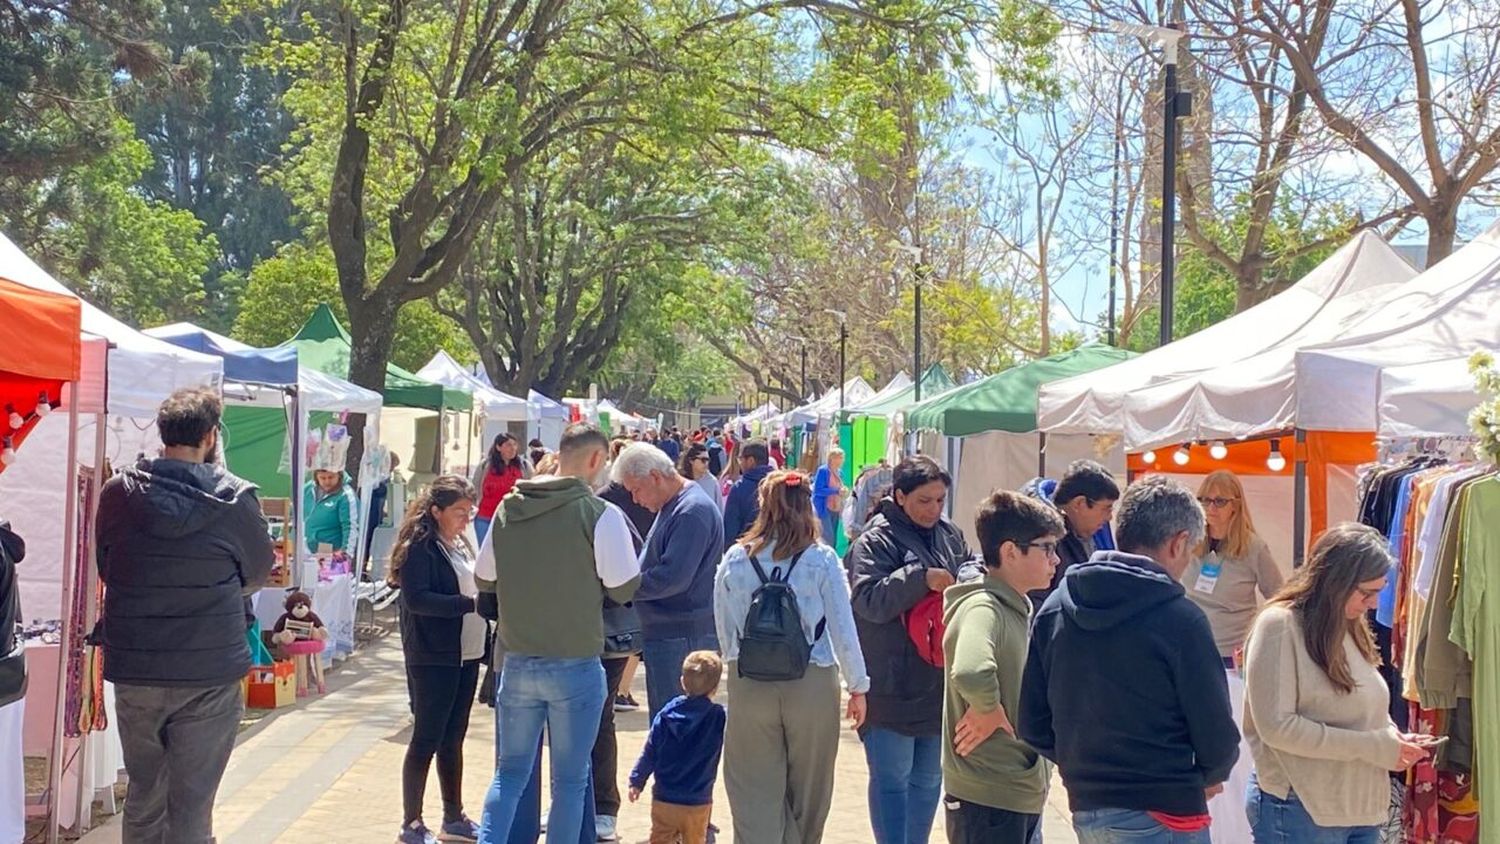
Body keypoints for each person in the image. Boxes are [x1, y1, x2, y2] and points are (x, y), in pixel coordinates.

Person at [94, 387, 275, 843]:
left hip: (138, 666)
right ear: (212, 436)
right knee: (193, 802)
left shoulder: (119, 493)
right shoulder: (235, 501)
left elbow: (107, 565)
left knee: (144, 792)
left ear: (162, 434)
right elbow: (256, 574)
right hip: (208, 667)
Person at [1019, 475, 1239, 844]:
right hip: (1166, 810)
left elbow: (1032, 722)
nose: (1186, 563)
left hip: (1089, 807)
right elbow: (1216, 733)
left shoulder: (1057, 608)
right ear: (1178, 543)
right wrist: (1204, 775)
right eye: (1189, 552)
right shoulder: (1181, 620)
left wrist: (1086, 769)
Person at [475, 424, 641, 844]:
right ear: (596, 460)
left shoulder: (509, 508)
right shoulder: (600, 515)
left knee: (509, 774)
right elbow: (623, 586)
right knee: (570, 781)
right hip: (575, 663)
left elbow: (483, 576)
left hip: (518, 660)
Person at [1242, 523, 1432, 842]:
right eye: (1367, 592)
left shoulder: (1349, 625)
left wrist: (1393, 737)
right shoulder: (1280, 625)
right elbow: (1276, 727)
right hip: (1300, 809)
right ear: (1336, 581)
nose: (1374, 604)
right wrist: (1376, 746)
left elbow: (1363, 706)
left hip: (1361, 808)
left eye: (1379, 591)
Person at [714, 470, 869, 843]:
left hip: (750, 680)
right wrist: (858, 685)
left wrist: (738, 665)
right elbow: (843, 629)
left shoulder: (735, 558)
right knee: (810, 788)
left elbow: (725, 630)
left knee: (753, 786)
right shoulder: (822, 559)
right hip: (811, 681)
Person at [847, 456, 975, 844]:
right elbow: (867, 599)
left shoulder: (948, 533)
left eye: (939, 500)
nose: (933, 509)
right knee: (892, 779)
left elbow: (969, 562)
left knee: (928, 779)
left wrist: (970, 574)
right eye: (924, 500)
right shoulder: (873, 541)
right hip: (890, 684)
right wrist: (920, 578)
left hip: (938, 684)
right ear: (899, 496)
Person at [942, 490, 1065, 844]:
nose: (1055, 560)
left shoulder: (1012, 605)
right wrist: (989, 709)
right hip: (989, 795)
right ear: (1011, 551)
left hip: (1012, 788)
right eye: (1047, 548)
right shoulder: (984, 607)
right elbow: (971, 670)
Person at [1179, 470, 1284, 842]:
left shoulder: (1253, 549)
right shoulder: (1189, 544)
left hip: (1233, 667)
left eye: (1219, 501)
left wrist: (1260, 639)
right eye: (1204, 499)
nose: (1210, 508)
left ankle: (1238, 834)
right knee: (1197, 753)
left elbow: (1280, 598)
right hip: (1192, 662)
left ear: (1237, 506)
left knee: (1235, 758)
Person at [391, 475, 486, 844]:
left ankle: (454, 815)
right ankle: (411, 822)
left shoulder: (459, 542)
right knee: (426, 737)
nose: (466, 519)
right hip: (433, 655)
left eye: (469, 511)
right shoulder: (421, 548)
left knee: (453, 737)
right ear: (436, 511)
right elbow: (417, 600)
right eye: (459, 512)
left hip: (466, 653)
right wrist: (468, 605)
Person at [611, 442, 724, 720]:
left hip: (681, 636)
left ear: (655, 476)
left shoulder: (690, 511)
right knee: (669, 729)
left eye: (636, 490)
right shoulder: (675, 505)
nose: (635, 500)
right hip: (671, 634)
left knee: (676, 730)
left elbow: (673, 578)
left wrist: (621, 586)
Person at [627, 651, 727, 844]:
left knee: (660, 838)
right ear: (715, 689)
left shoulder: (666, 714)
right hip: (697, 799)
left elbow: (650, 750)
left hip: (664, 797)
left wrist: (637, 780)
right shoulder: (717, 717)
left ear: (682, 682)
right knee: (695, 839)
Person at [1031, 460, 1120, 605]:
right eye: (1106, 508)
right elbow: (1037, 603)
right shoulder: (1040, 539)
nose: (1109, 517)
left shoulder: (1094, 535)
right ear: (1080, 503)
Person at [472, 433, 531, 545]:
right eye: (508, 445)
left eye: (515, 444)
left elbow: (532, 488)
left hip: (513, 519)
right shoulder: (485, 466)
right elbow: (474, 488)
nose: (513, 448)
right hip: (485, 517)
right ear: (498, 447)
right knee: (486, 553)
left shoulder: (524, 466)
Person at [722, 438, 772, 550]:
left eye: (740, 459)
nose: (739, 463)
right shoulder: (780, 486)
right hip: (780, 555)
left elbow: (730, 530)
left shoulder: (739, 488)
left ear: (750, 461)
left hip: (747, 554)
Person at [303, 465, 360, 553]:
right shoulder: (307, 489)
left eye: (331, 477)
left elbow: (351, 526)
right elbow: (293, 515)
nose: (327, 481)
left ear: (339, 476)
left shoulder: (346, 495)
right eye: (322, 478)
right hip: (303, 547)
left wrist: (345, 554)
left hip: (330, 550)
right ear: (316, 477)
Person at [813, 447, 845, 546]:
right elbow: (818, 490)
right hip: (824, 507)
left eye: (842, 458)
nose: (841, 460)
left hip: (836, 507)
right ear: (831, 458)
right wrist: (836, 491)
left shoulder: (839, 472)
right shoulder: (823, 470)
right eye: (838, 458)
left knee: (834, 536)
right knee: (828, 536)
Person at [678, 443, 723, 512]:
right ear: (691, 460)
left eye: (708, 460)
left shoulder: (712, 482)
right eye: (703, 460)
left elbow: (719, 510)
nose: (706, 463)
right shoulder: (680, 481)